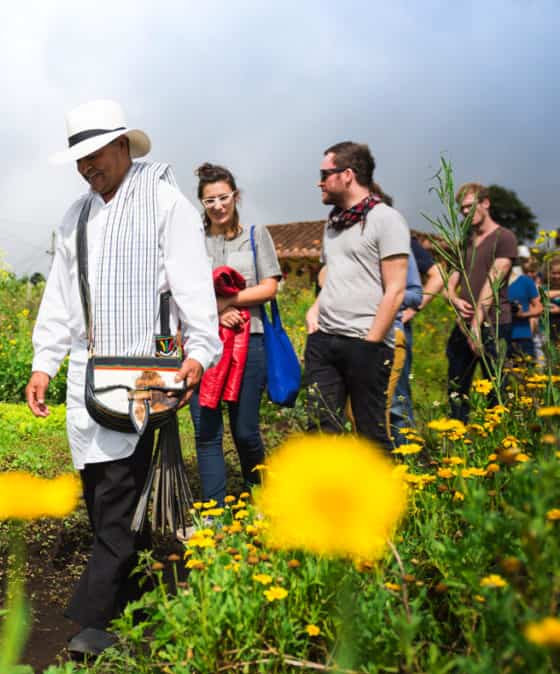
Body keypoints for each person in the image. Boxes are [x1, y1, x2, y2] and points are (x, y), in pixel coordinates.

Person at [25, 99, 220, 656]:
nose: (88, 167)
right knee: (104, 495)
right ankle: (134, 611)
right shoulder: (76, 217)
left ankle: (91, 625)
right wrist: (45, 363)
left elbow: (191, 286)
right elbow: (60, 300)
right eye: (79, 159)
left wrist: (199, 351)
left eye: (95, 155)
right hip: (87, 376)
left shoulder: (165, 203)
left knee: (117, 497)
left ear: (123, 146)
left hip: (143, 374)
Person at [303, 141, 409, 452]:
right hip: (324, 341)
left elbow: (396, 288)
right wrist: (315, 310)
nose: (319, 181)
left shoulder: (385, 219)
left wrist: (371, 343)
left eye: (325, 174)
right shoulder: (333, 224)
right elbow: (334, 273)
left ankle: (385, 501)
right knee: (320, 432)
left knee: (370, 436)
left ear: (347, 174)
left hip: (366, 342)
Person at [190, 163, 280, 505]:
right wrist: (216, 311)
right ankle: (213, 513)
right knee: (207, 432)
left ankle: (262, 498)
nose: (217, 206)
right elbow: (182, 292)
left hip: (250, 342)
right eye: (209, 200)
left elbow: (269, 286)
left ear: (235, 196)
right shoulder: (193, 242)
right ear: (202, 202)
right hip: (203, 344)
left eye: (223, 197)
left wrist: (230, 300)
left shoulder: (256, 236)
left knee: (245, 431)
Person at [445, 182, 517, 422]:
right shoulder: (465, 242)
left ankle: (498, 443)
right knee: (456, 387)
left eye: (470, 206)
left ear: (485, 203)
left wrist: (476, 325)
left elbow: (493, 282)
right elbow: (449, 283)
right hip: (464, 323)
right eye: (462, 208)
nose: (465, 212)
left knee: (495, 387)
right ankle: (457, 439)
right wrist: (454, 299)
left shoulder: (504, 237)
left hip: (493, 323)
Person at [389, 234, 446, 447]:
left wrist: (414, 308)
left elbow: (438, 274)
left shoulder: (401, 240)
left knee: (397, 399)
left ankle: (408, 458)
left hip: (395, 329)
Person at [507, 245, 542, 361]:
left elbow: (539, 308)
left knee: (527, 376)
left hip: (522, 336)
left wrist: (523, 314)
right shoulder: (492, 283)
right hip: (500, 337)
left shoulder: (525, 281)